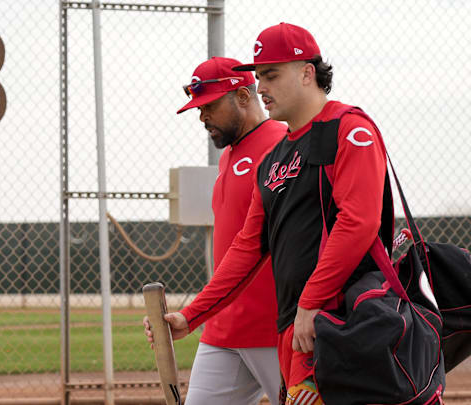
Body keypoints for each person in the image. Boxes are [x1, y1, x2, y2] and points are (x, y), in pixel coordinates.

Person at [145, 23, 391, 405]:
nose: (262, 86)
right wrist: (191, 316)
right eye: (259, 75)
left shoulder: (350, 129)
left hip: (339, 324)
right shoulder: (274, 159)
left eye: (271, 75)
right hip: (289, 327)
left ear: (308, 72)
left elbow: (358, 223)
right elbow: (247, 248)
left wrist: (310, 303)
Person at [167, 57, 286, 405]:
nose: (202, 117)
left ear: (244, 97)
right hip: (223, 327)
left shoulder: (281, 144)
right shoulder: (229, 155)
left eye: (209, 106)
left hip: (273, 327)